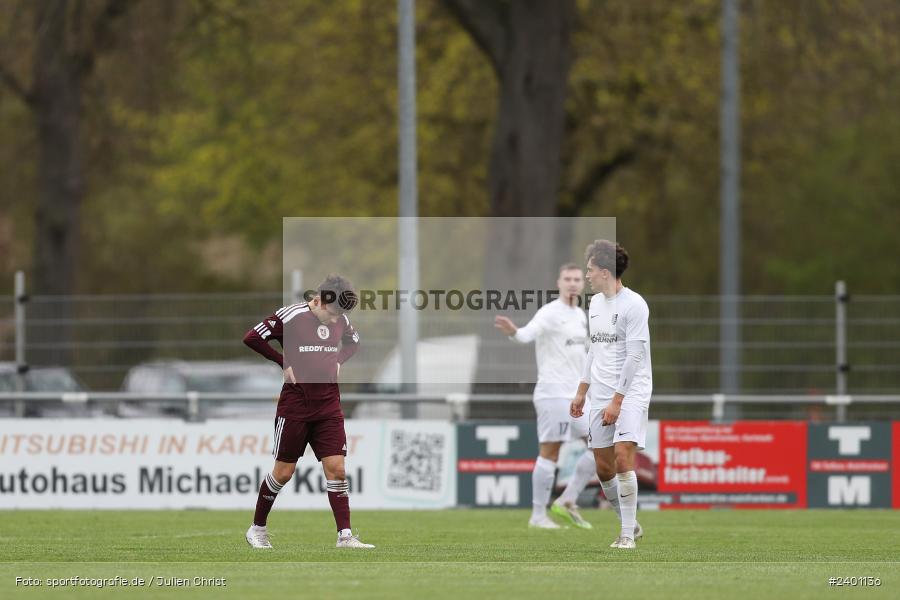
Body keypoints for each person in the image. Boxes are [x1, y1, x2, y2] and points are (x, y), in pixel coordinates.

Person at [242, 274, 374, 549]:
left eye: (340, 316)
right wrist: (283, 362)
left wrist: (338, 361)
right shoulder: (290, 316)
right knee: (283, 473)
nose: (336, 321)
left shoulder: (341, 318)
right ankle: (257, 529)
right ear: (317, 301)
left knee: (337, 470)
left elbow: (353, 343)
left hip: (328, 404)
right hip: (296, 406)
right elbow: (252, 337)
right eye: (333, 315)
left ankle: (345, 535)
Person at [494, 263, 598, 529]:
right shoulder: (550, 313)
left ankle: (567, 499)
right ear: (558, 283)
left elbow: (582, 355)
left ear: (582, 284)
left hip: (576, 396)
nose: (573, 283)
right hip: (553, 394)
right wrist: (514, 332)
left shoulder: (581, 316)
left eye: (577, 279)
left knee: (600, 445)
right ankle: (538, 516)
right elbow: (527, 334)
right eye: (568, 279)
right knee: (551, 451)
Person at [570, 240, 651, 549]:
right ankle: (630, 522)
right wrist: (581, 391)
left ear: (604, 272)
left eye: (590, 270)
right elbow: (594, 349)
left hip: (631, 391)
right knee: (603, 468)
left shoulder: (635, 305)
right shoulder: (595, 305)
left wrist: (618, 400)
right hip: (600, 393)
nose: (586, 276)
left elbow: (634, 357)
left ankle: (626, 535)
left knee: (621, 456)